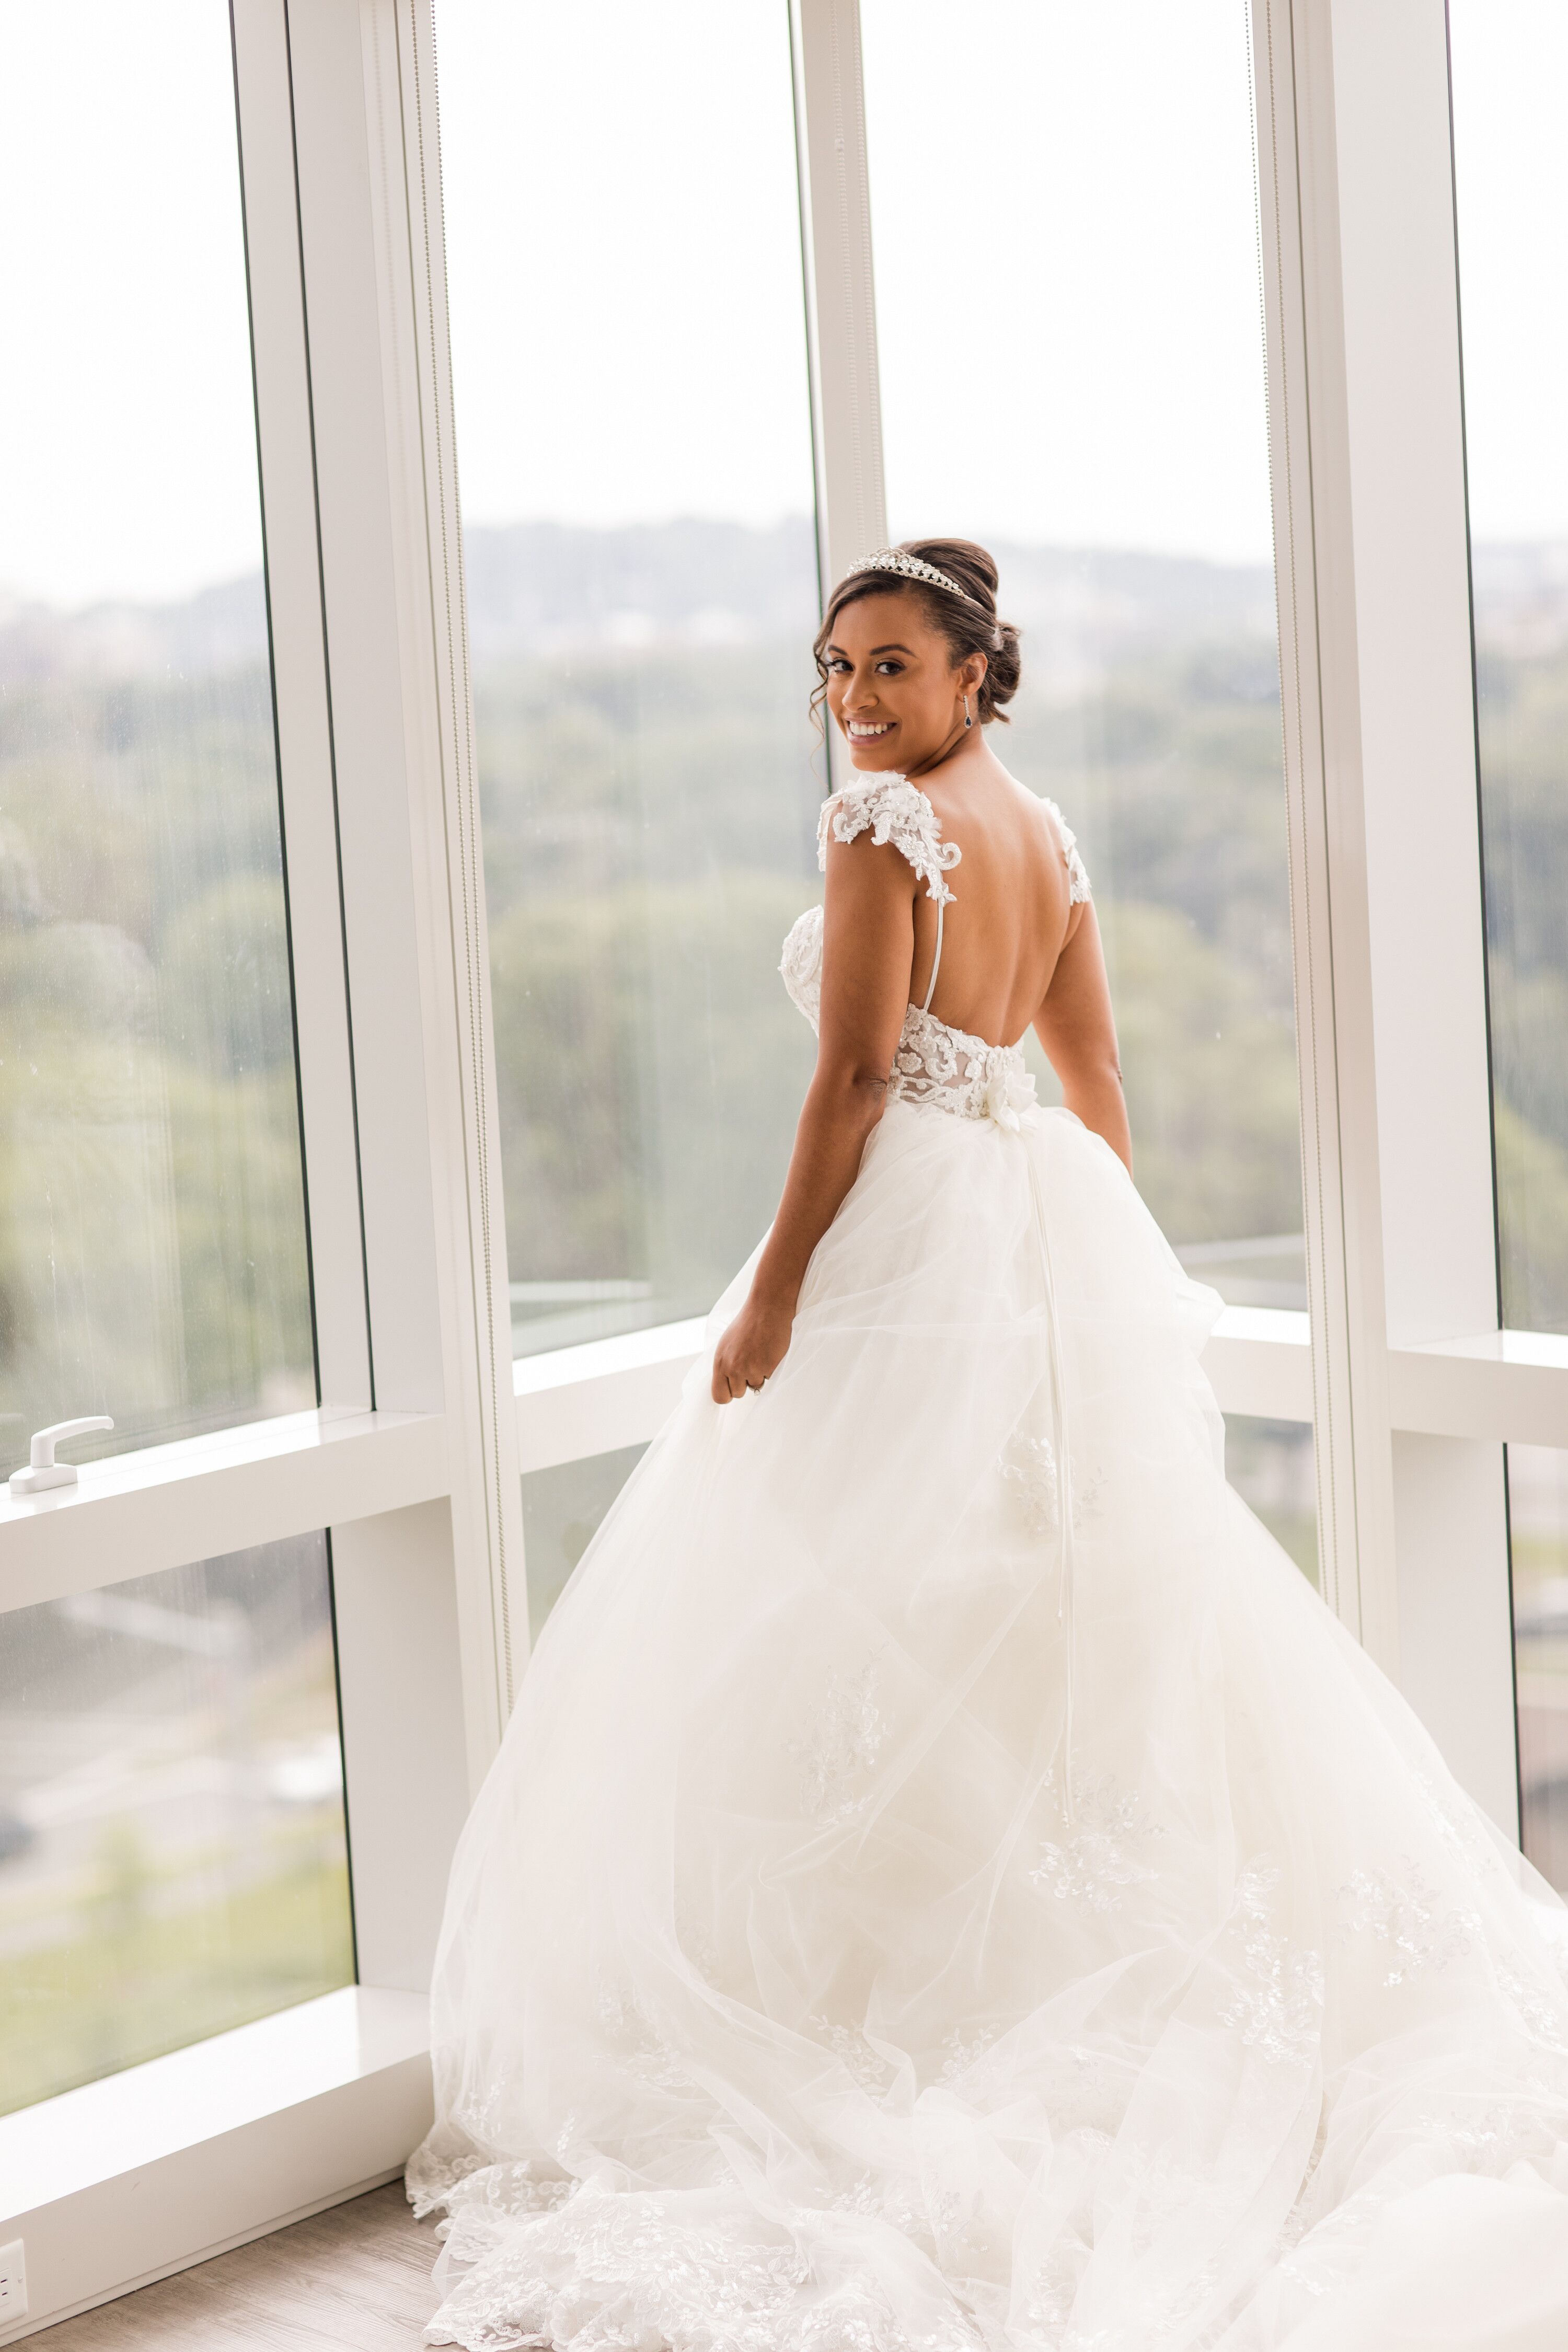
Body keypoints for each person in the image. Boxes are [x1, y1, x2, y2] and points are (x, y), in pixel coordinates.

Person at [410, 540, 1568, 2351]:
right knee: (1021, 1635)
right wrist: (1098, 1279)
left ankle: (897, 2017)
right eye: (836, 667)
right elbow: (1094, 1084)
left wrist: (777, 1288)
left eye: (892, 665)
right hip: (1031, 1219)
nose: (858, 699)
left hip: (909, 1236)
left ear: (974, 671)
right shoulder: (1049, 832)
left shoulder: (883, 833)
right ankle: (1001, 1985)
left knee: (840, 1615)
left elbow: (858, 1079)